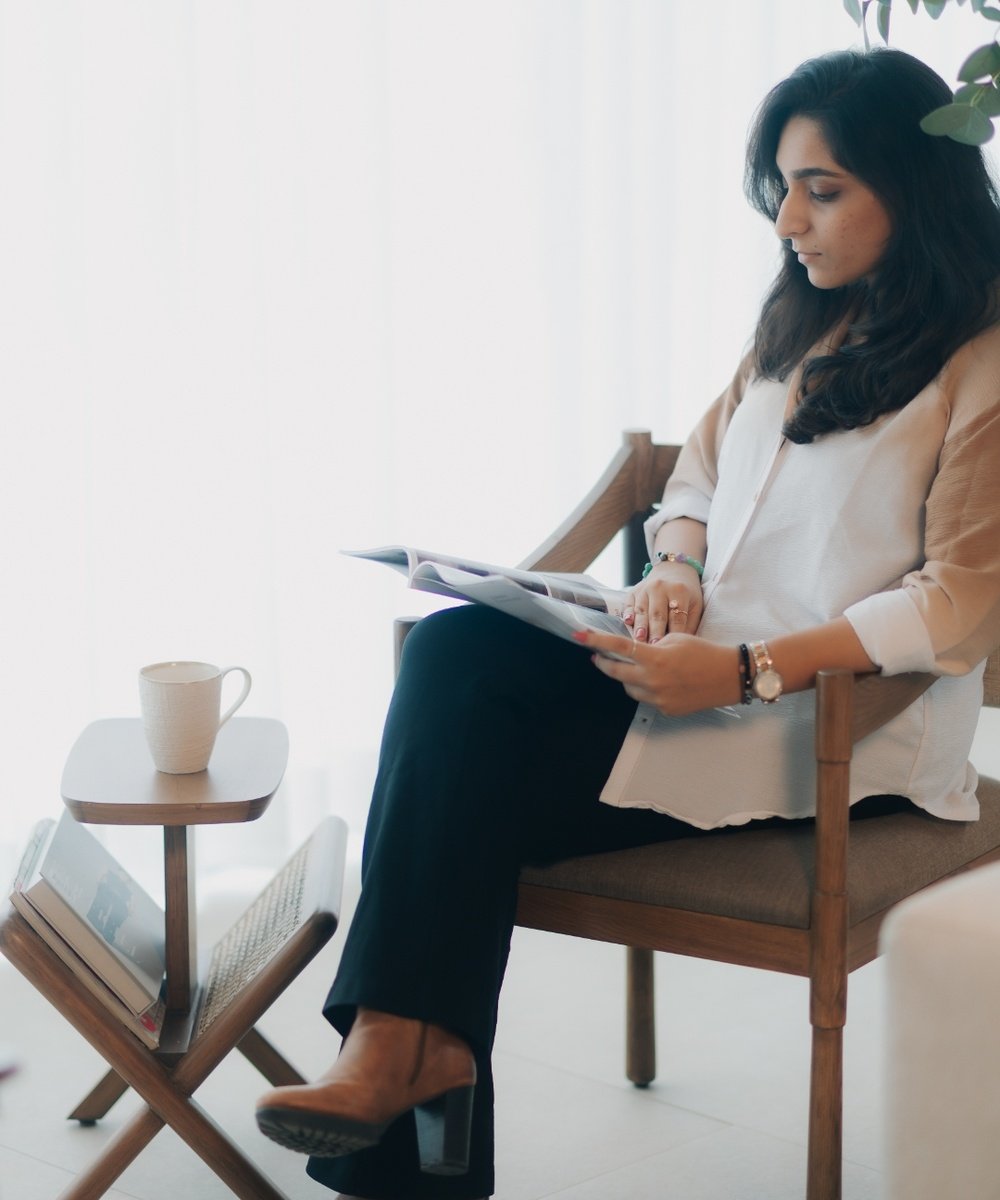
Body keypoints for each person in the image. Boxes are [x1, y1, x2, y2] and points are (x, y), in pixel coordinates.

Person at [254, 47, 1000, 1199]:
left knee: (461, 785)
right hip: (692, 669)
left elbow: (954, 604)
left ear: (916, 187)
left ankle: (401, 1067)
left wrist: (746, 671)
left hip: (840, 725)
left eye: (821, 190)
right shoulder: (800, 323)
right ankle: (403, 1055)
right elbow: (694, 475)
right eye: (782, 190)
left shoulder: (982, 362)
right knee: (456, 649)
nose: (786, 223)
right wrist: (676, 570)